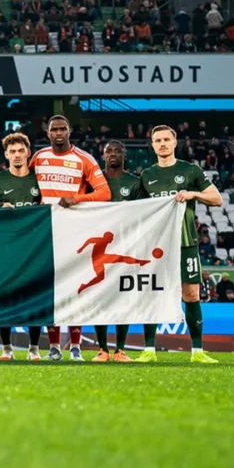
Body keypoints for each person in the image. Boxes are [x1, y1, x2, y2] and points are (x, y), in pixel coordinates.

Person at [131, 125, 222, 364]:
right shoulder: (146, 175)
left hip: (186, 242)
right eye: (157, 140)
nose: (162, 144)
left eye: (166, 140)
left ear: (174, 142)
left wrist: (194, 194)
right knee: (151, 293)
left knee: (191, 294)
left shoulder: (190, 170)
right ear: (152, 145)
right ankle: (149, 350)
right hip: (156, 246)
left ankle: (197, 352)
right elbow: (137, 210)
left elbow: (217, 199)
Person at [31, 115, 111, 360]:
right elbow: (24, 184)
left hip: (74, 230)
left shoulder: (84, 159)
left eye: (62, 129)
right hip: (45, 232)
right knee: (50, 290)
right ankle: (54, 347)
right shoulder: (38, 157)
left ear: (69, 131)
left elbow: (105, 192)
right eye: (54, 129)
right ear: (48, 133)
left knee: (76, 288)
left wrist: (76, 198)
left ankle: (75, 347)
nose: (58, 133)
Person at [0, 132, 45, 361]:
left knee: (34, 297)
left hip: (33, 248)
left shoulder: (39, 179)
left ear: (28, 152)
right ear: (6, 155)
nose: (17, 155)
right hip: (6, 249)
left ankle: (34, 349)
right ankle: (6, 349)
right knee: (6, 298)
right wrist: (0, 212)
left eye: (21, 150)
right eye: (12, 151)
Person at [93, 140, 142, 362]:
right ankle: (102, 349)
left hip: (125, 244)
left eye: (117, 151)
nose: (113, 154)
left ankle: (120, 350)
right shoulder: (94, 181)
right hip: (100, 249)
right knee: (100, 298)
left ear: (124, 155)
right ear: (103, 156)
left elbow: (145, 212)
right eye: (109, 151)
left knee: (123, 297)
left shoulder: (134, 182)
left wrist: (128, 210)